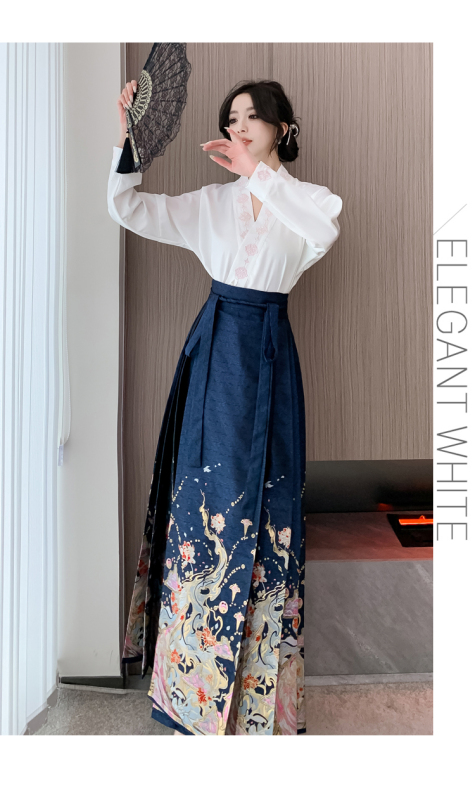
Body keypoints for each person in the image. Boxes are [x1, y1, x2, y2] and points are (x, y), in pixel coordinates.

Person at [108, 78, 343, 736]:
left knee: (268, 506)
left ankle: (258, 704)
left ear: (282, 129)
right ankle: (188, 694)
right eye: (230, 118)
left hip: (269, 354)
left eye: (252, 117)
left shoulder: (313, 200)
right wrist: (130, 142)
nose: (238, 126)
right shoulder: (213, 202)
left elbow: (320, 233)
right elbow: (127, 208)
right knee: (201, 505)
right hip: (215, 355)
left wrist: (257, 175)